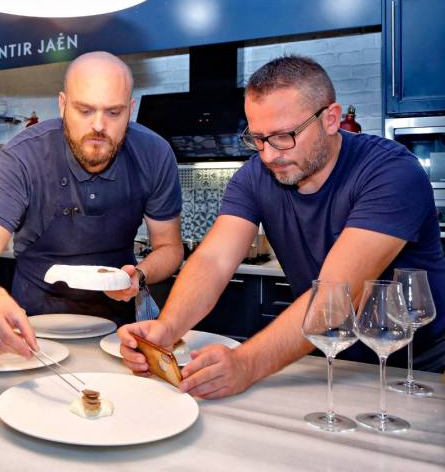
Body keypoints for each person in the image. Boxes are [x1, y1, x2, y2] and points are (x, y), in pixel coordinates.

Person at [118, 55, 445, 399]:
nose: (270, 154)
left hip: (415, 365)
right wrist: (166, 330)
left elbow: (338, 293)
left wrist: (245, 363)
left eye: (284, 136)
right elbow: (213, 260)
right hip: (326, 357)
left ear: (330, 119)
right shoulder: (255, 176)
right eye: (258, 139)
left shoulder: (391, 172)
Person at [0, 51, 183, 357]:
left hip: (118, 329)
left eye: (114, 113)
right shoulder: (22, 156)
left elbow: (170, 249)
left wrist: (139, 274)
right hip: (33, 324)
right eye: (85, 110)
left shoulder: (155, 154)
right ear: (62, 105)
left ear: (131, 110)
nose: (99, 127)